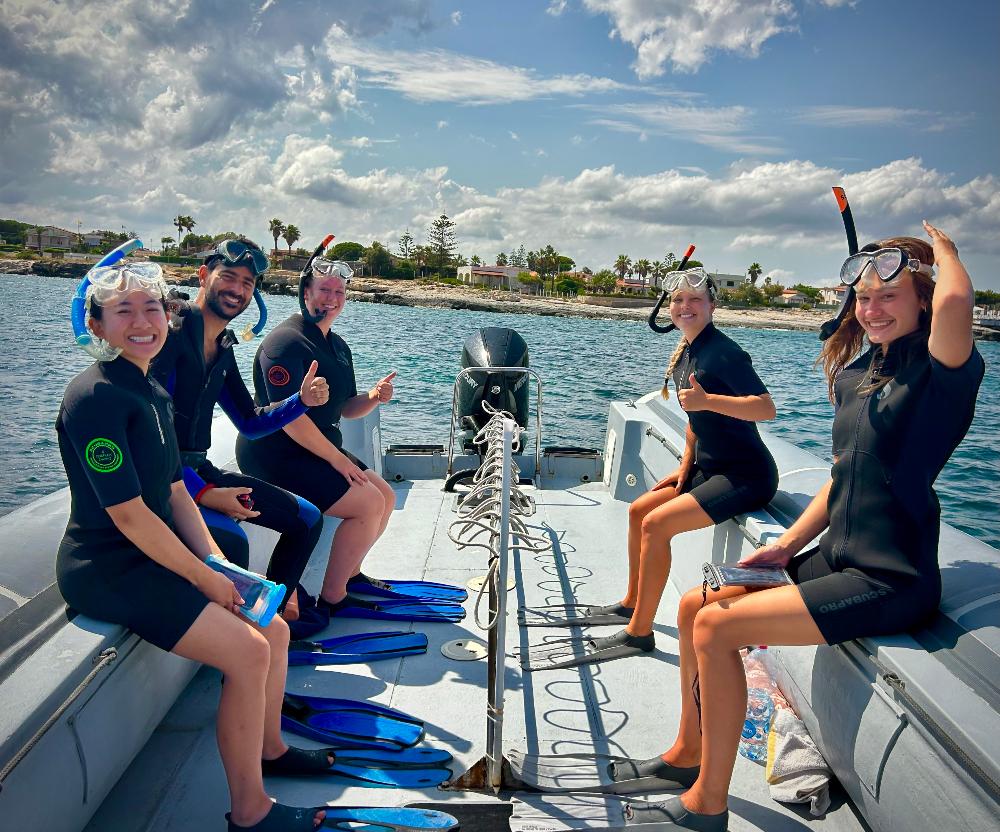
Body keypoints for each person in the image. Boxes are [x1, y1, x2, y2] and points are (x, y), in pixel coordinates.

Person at [637, 223, 984, 830]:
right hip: (833, 555)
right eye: (864, 298)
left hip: (889, 575)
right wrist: (788, 544)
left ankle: (706, 804)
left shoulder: (939, 375)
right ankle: (688, 750)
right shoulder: (860, 373)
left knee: (717, 628)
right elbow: (843, 474)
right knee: (696, 604)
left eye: (889, 296)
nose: (872, 310)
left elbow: (956, 303)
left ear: (923, 301)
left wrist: (945, 252)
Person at [55, 261, 330, 830]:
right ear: (96, 324)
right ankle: (250, 813)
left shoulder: (151, 388)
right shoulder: (95, 398)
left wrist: (220, 564)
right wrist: (204, 578)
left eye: (152, 308)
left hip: (155, 553)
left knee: (274, 629)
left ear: (167, 315)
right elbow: (129, 515)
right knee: (249, 650)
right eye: (124, 311)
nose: (142, 322)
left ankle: (270, 749)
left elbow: (176, 489)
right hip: (109, 566)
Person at [578, 267, 778, 660]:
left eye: (695, 300)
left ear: (712, 306)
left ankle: (639, 633)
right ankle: (631, 603)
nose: (685, 307)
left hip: (745, 475)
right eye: (678, 300)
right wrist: (685, 468)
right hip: (709, 466)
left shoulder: (725, 353)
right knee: (639, 510)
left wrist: (708, 401)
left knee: (657, 525)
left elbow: (765, 408)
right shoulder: (689, 350)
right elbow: (694, 422)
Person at [151, 239, 329, 626]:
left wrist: (300, 401)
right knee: (232, 542)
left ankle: (270, 624)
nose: (237, 289)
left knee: (307, 520)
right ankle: (242, 637)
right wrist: (203, 492)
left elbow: (249, 421)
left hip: (198, 470)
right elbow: (150, 436)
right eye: (228, 276)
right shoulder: (169, 336)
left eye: (247, 283)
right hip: (164, 480)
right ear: (203, 275)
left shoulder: (222, 347)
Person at [236, 257, 398, 614]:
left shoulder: (337, 346)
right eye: (324, 289)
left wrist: (373, 396)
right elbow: (290, 421)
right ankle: (334, 597)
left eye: (340, 292)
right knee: (367, 505)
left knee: (385, 497)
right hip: (277, 454)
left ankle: (351, 575)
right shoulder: (285, 344)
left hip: (317, 448)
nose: (333, 298)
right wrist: (338, 461)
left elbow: (346, 408)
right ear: (305, 292)